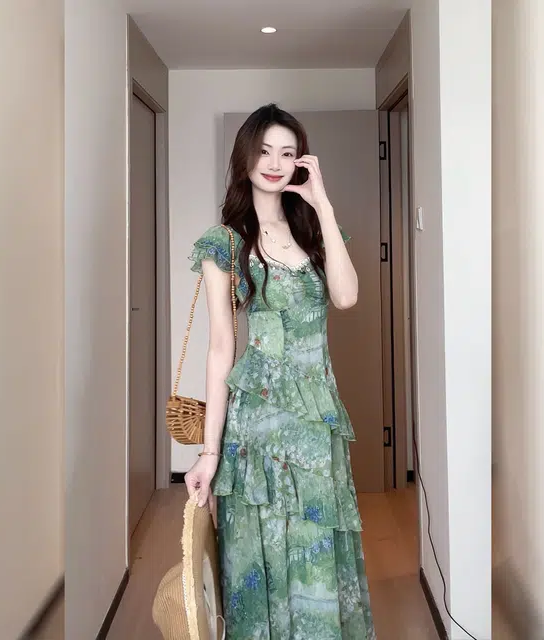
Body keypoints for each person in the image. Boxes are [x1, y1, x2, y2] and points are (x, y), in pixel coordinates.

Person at [184, 103, 376, 639]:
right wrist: (209, 453)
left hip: (317, 421)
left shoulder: (313, 229)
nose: (274, 163)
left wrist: (323, 203)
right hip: (258, 427)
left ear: (301, 162)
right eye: (264, 151)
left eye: (287, 153)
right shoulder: (225, 241)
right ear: (245, 157)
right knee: (262, 554)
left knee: (317, 556)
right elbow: (221, 348)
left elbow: (346, 296)